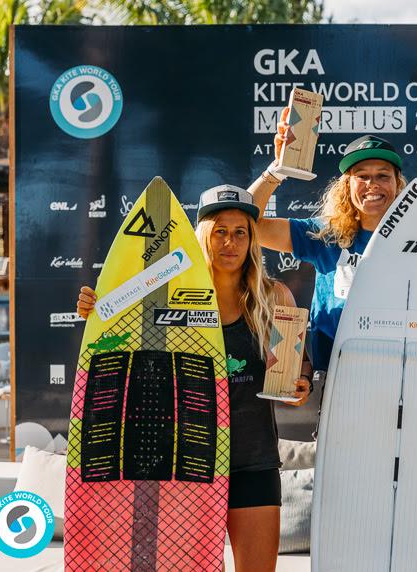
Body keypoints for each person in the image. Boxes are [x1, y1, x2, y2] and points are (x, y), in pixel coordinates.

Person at [76, 185, 311, 572]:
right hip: (187, 465)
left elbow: (292, 374)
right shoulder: (164, 297)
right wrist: (95, 309)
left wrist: (298, 386)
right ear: (202, 234)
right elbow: (116, 333)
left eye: (241, 232)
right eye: (220, 230)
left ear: (253, 239)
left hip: (253, 461)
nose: (230, 242)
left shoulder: (274, 297)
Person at [247, 111, 417, 465]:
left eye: (382, 175)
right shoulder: (326, 236)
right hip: (339, 385)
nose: (372, 184)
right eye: (361, 176)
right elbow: (243, 220)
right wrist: (278, 168)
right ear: (346, 186)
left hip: (412, 388)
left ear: (399, 183)